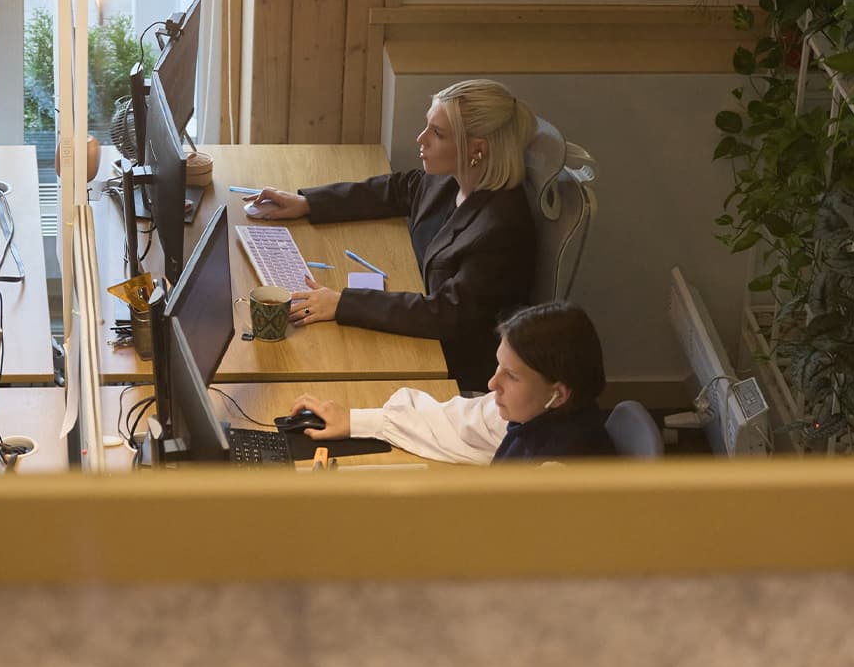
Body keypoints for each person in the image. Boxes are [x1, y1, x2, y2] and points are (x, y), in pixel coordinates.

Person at [244, 78, 538, 392]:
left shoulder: (501, 228)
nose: (421, 139)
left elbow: (446, 314)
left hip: (447, 364)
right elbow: (401, 189)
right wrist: (309, 203)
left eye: (437, 133)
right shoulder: (455, 177)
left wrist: (343, 303)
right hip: (419, 326)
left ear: (477, 149)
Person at [287, 302, 618, 463]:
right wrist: (356, 421)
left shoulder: (560, 473)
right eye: (499, 366)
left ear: (558, 394)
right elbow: (455, 423)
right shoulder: (537, 414)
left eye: (512, 376)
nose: (492, 383)